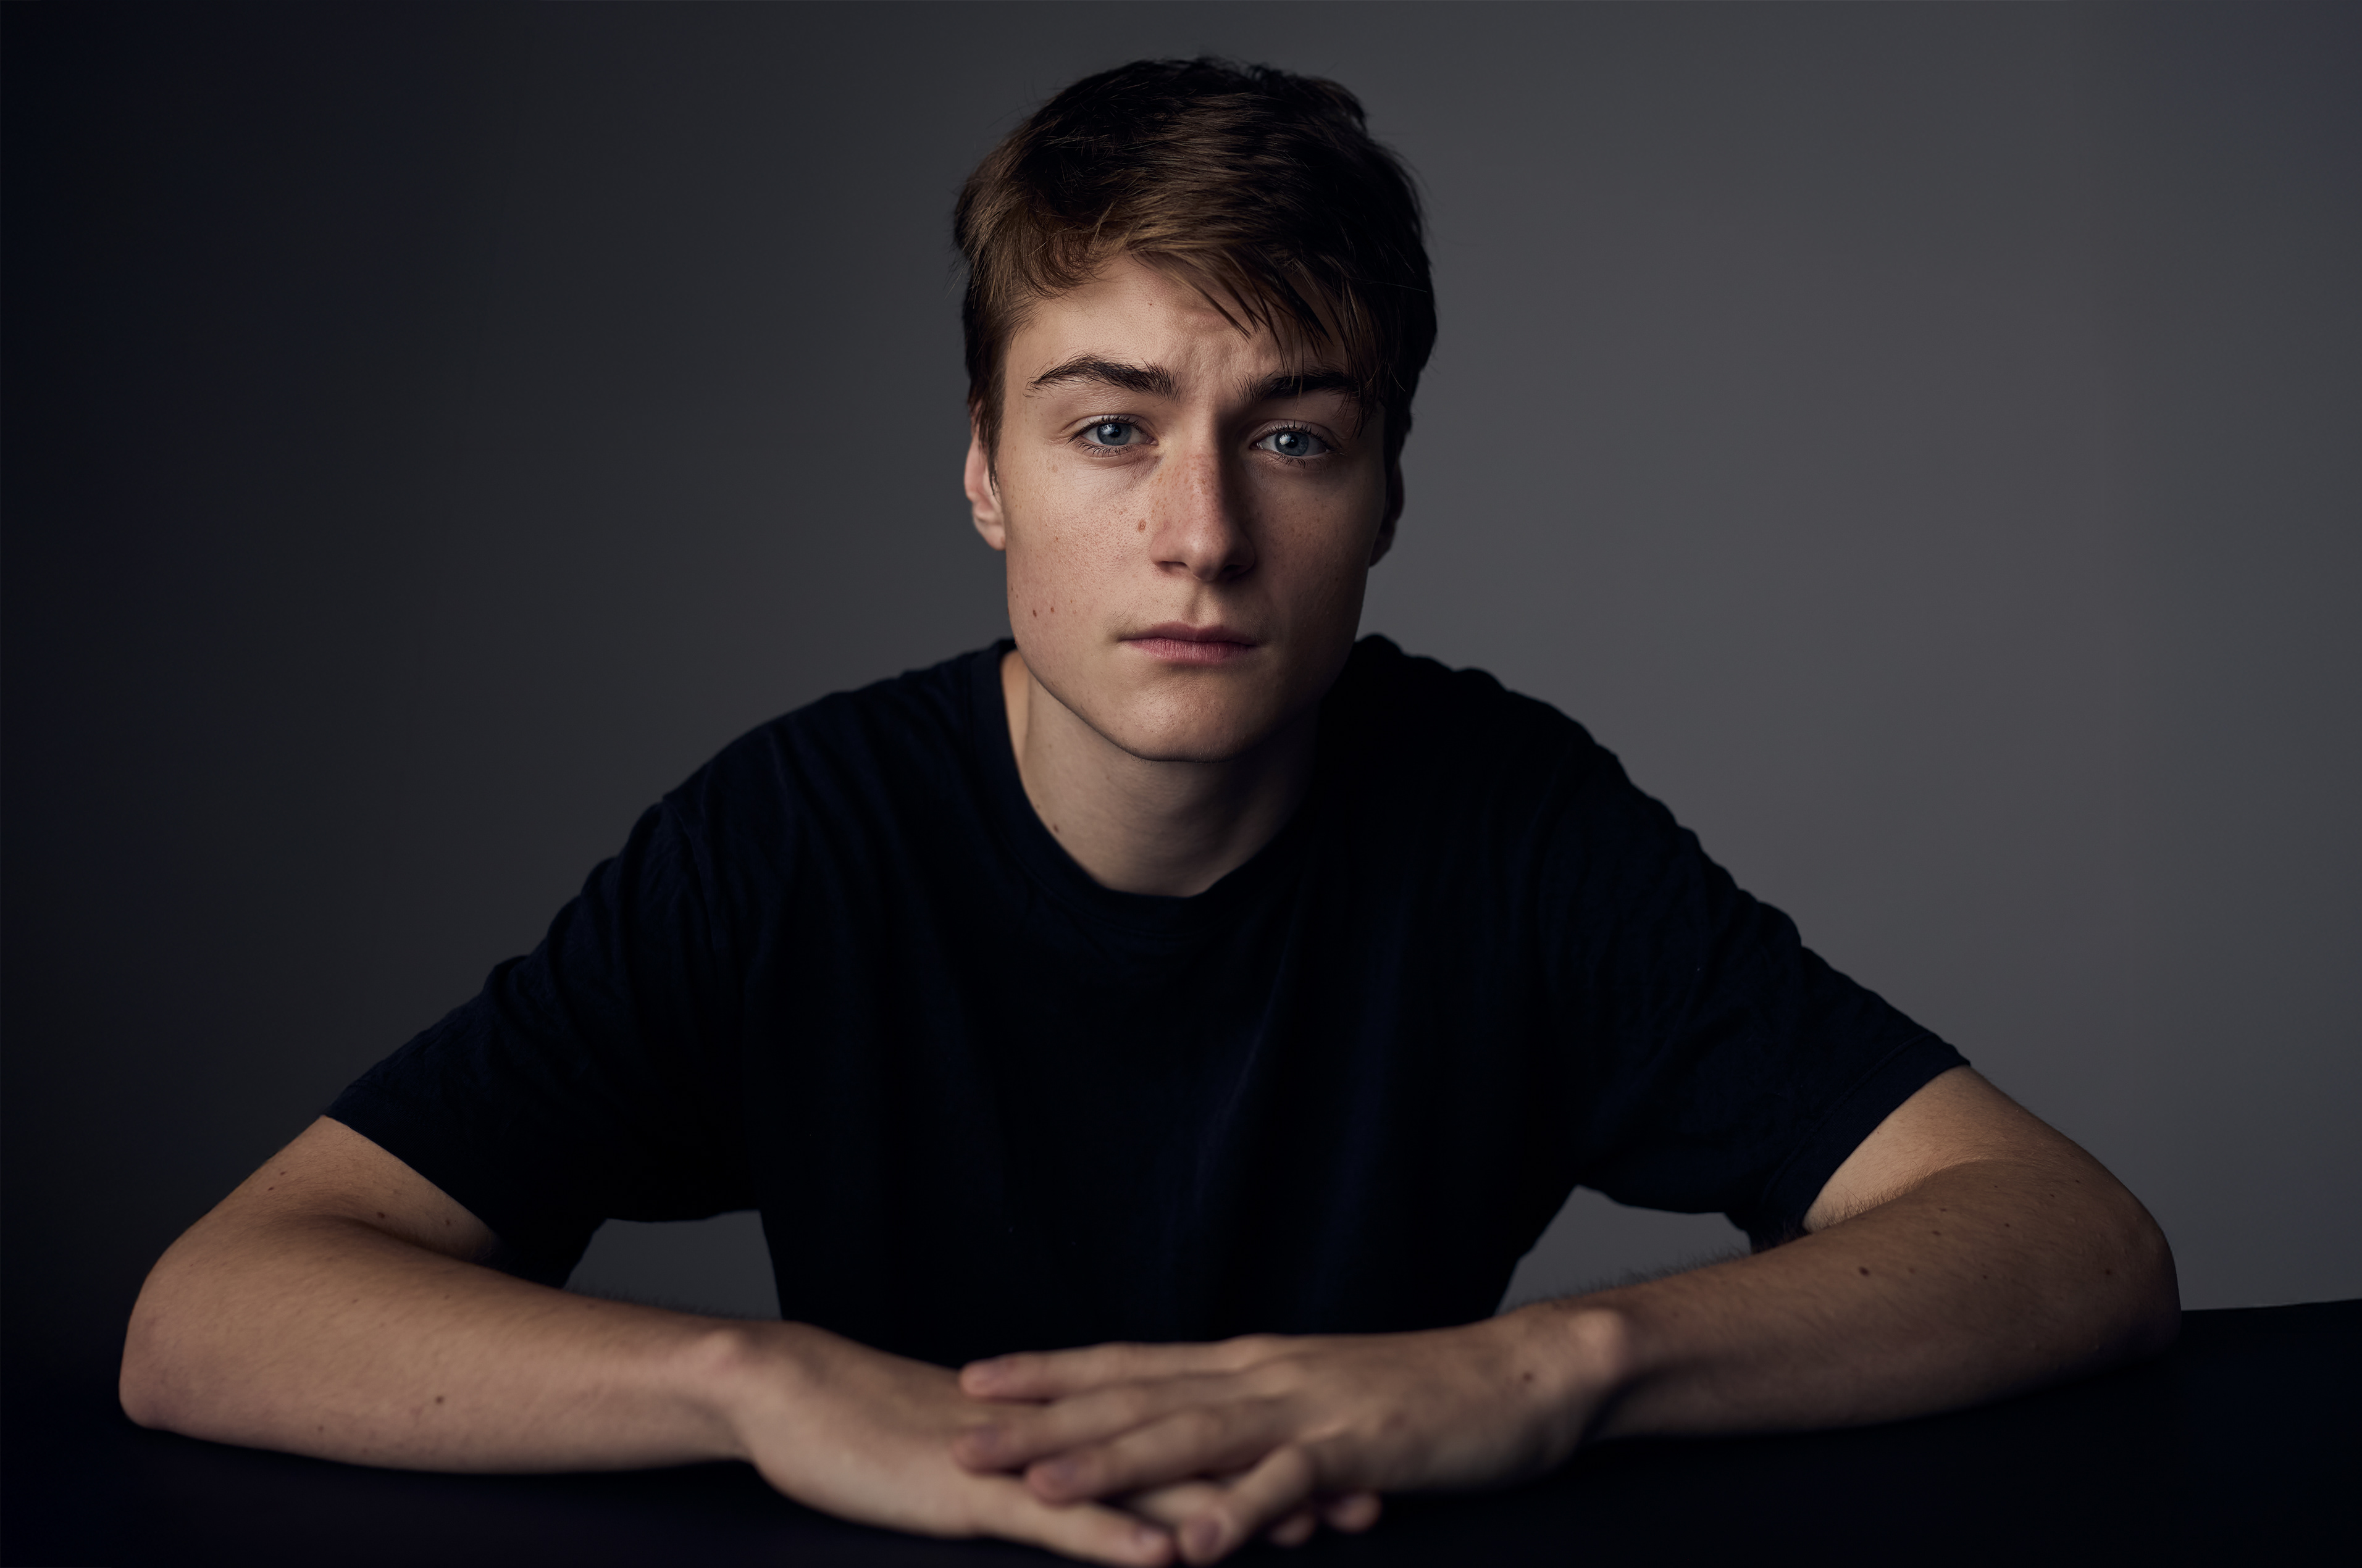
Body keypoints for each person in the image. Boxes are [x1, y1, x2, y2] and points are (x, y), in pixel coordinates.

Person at [119, 58, 2178, 1567]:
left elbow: (2072, 1238)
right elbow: (211, 1311)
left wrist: (1541, 1370)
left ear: (1386, 490)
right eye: (1111, 428)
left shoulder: (1509, 823)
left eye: (1292, 437)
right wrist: (751, 1384)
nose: (1200, 533)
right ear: (986, 472)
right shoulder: (798, 840)